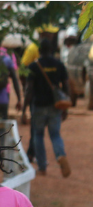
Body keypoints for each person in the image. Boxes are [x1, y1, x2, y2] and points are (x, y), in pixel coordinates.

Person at [22, 39, 72, 178]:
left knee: (38, 135)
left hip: (38, 106)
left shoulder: (33, 66)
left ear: (39, 50)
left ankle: (42, 167)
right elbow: (66, 86)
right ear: (52, 50)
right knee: (55, 134)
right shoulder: (59, 64)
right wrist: (65, 107)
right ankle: (60, 155)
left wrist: (24, 109)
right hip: (55, 106)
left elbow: (29, 90)